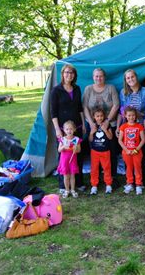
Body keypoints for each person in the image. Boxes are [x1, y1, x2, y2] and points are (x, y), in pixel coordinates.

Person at [51, 64, 86, 194]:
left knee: (78, 155)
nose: (69, 75)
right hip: (63, 129)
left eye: (71, 73)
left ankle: (78, 182)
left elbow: (80, 108)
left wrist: (83, 124)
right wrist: (57, 129)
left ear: (74, 75)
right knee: (63, 156)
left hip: (76, 127)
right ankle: (63, 185)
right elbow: (53, 112)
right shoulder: (56, 90)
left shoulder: (77, 89)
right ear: (62, 74)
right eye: (66, 72)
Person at [83, 68, 120, 180]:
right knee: (95, 150)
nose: (98, 78)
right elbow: (84, 107)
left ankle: (111, 176)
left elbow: (116, 105)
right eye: (96, 76)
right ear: (93, 77)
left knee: (111, 151)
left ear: (104, 77)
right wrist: (91, 123)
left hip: (109, 124)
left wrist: (107, 121)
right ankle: (97, 176)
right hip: (93, 125)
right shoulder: (88, 89)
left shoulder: (111, 88)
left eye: (101, 76)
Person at [118, 106, 145, 195]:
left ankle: (138, 184)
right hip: (127, 152)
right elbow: (120, 140)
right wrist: (126, 150)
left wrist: (137, 149)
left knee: (137, 168)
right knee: (129, 168)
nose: (131, 117)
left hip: (137, 152)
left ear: (136, 116)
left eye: (133, 115)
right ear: (125, 116)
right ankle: (130, 183)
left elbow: (143, 139)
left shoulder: (139, 126)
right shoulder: (123, 127)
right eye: (129, 115)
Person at [88, 107, 113, 195]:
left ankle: (108, 184)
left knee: (106, 168)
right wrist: (91, 132)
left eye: (101, 116)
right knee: (94, 168)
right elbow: (90, 140)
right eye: (97, 116)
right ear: (94, 117)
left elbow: (110, 137)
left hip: (105, 151)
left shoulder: (107, 124)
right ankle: (94, 185)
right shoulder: (93, 125)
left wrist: (105, 130)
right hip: (95, 151)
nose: (99, 118)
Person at [57, 121, 82, 199]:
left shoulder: (76, 139)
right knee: (66, 176)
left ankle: (73, 189)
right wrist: (63, 147)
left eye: (71, 129)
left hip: (72, 161)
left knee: (72, 176)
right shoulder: (63, 139)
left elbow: (79, 150)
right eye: (67, 129)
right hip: (64, 161)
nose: (69, 131)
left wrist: (76, 148)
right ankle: (67, 190)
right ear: (64, 130)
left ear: (74, 129)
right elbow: (59, 150)